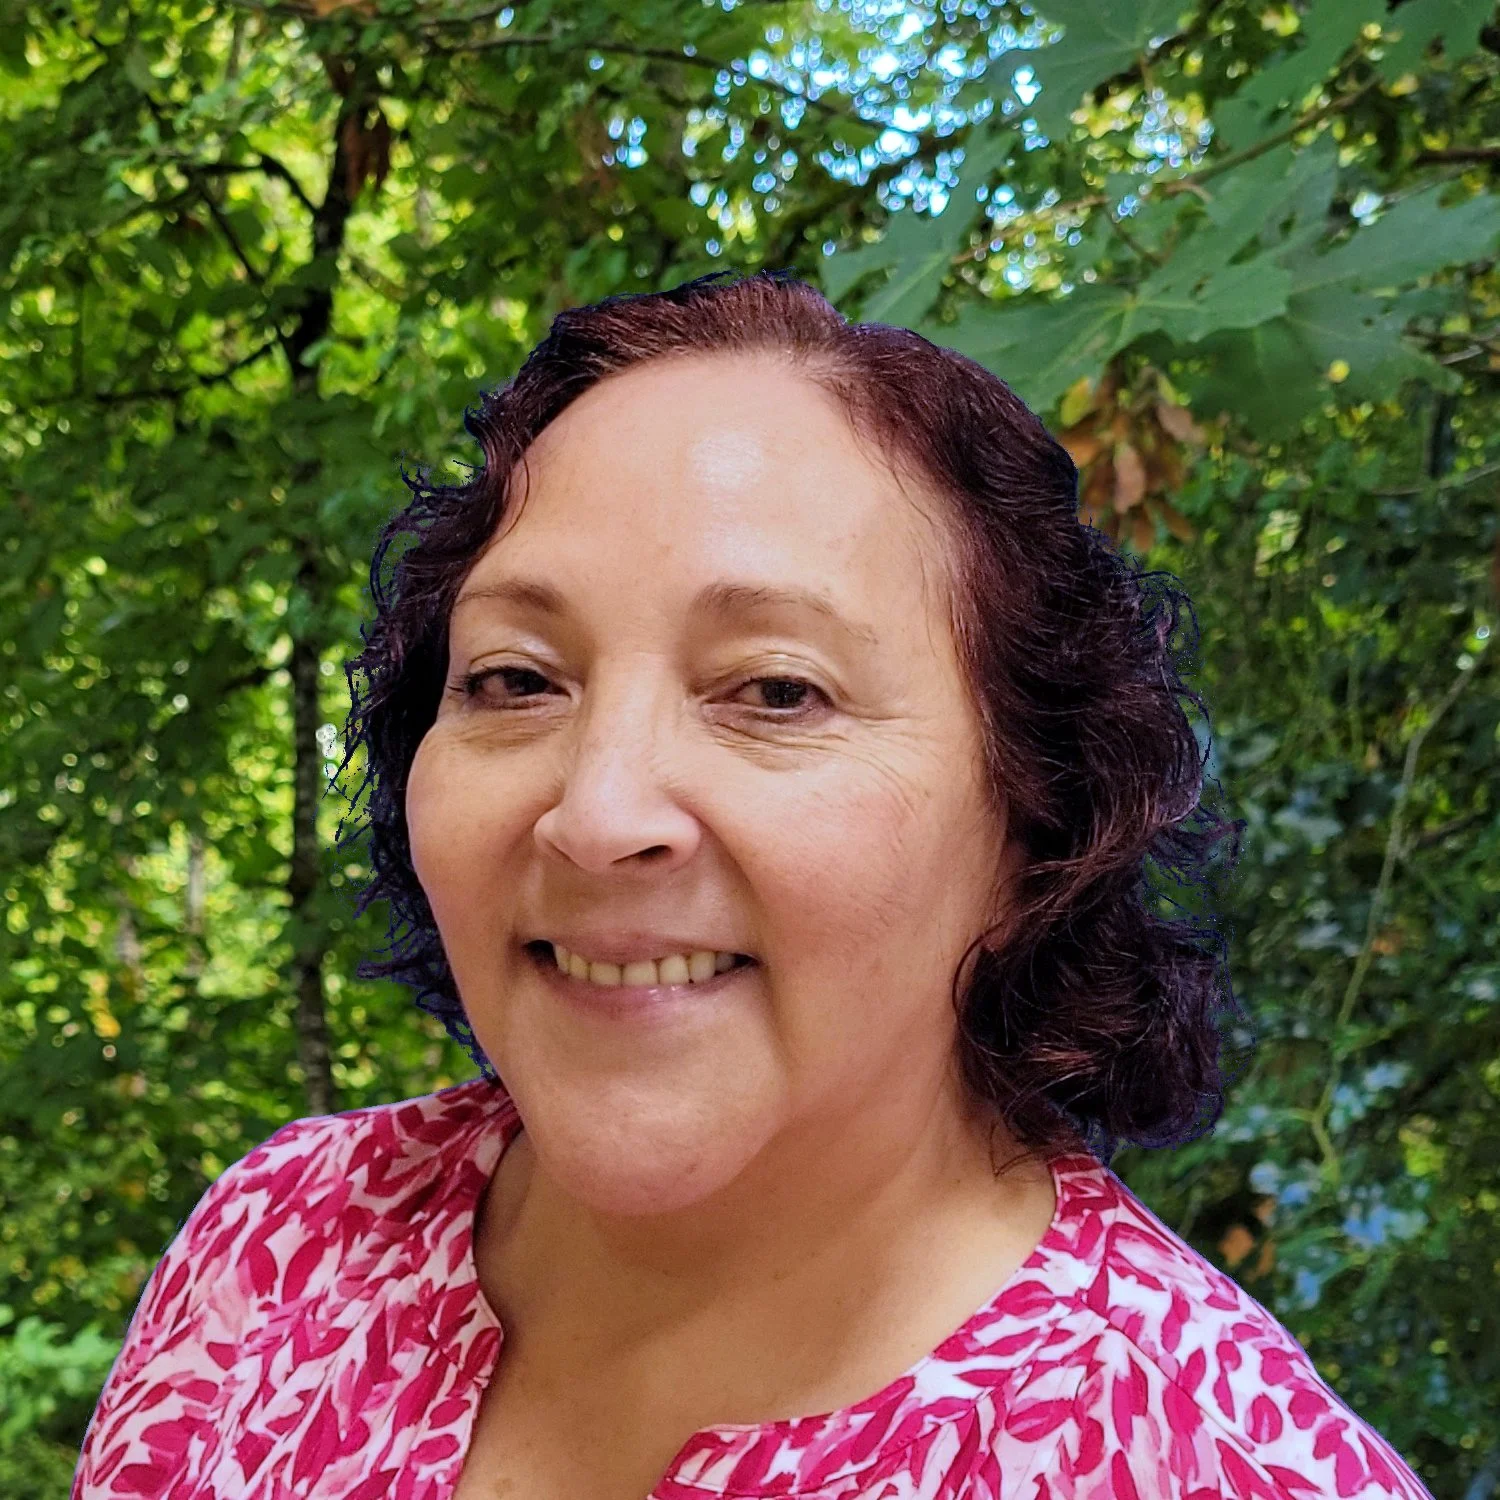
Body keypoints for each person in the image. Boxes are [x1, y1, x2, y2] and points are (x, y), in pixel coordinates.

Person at [71, 270, 1433, 1500]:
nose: (599, 815)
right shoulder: (284, 1239)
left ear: (1036, 830)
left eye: (778, 691)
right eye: (514, 680)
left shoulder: (1206, 1462)